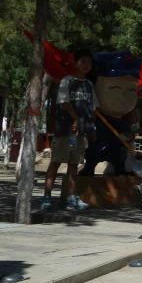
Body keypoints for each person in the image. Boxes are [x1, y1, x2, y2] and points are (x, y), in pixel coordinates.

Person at [41, 48, 95, 212]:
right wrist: (76, 118)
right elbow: (64, 103)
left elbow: (92, 108)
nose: (86, 65)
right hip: (65, 130)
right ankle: (47, 197)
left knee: (73, 165)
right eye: (83, 61)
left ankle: (71, 198)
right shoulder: (67, 81)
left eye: (89, 62)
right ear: (75, 62)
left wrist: (90, 128)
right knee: (56, 162)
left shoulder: (89, 84)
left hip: (80, 134)